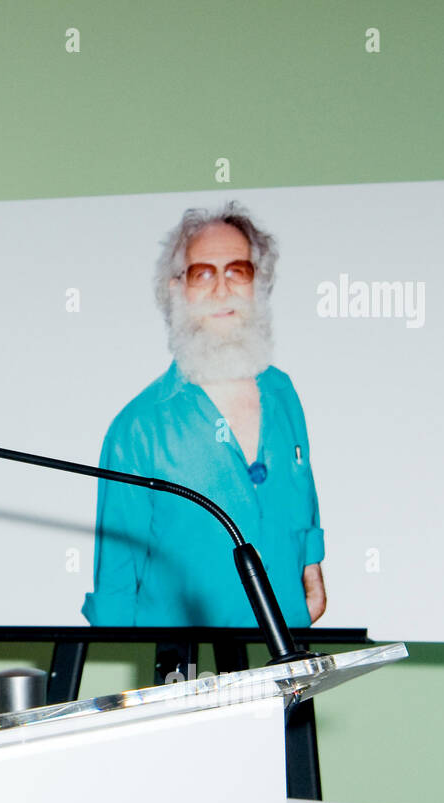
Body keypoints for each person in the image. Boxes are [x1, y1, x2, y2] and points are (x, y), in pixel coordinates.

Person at [82, 201, 326, 631]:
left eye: (238, 271)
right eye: (203, 274)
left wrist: (313, 571)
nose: (221, 290)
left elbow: (302, 494)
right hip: (186, 668)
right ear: (176, 288)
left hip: (284, 652)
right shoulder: (138, 427)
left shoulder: (283, 391)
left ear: (259, 282)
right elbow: (117, 574)